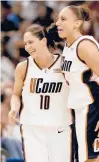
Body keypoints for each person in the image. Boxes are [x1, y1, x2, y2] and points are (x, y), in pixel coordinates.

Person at [8, 24, 73, 162]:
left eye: (31, 42)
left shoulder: (63, 64)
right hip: (32, 127)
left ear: (43, 41)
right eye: (25, 43)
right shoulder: (23, 67)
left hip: (60, 126)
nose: (27, 47)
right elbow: (15, 94)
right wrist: (14, 108)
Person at [56, 4, 99, 162]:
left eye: (63, 19)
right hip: (78, 108)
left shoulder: (85, 46)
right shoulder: (68, 47)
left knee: (90, 158)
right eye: (57, 19)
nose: (58, 23)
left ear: (77, 23)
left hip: (91, 107)